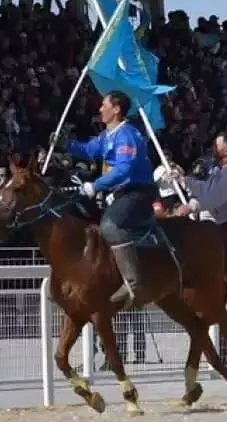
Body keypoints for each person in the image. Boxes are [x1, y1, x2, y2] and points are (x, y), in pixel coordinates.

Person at [52, 91, 157, 309]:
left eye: (104, 105)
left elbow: (123, 170)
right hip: (119, 193)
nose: (100, 109)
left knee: (110, 225)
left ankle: (135, 284)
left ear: (116, 109)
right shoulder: (108, 135)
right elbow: (89, 150)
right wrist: (66, 143)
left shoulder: (127, 134)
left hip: (137, 192)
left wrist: (96, 185)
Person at [177, 131, 227, 316]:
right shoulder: (221, 171)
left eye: (217, 145)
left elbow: (216, 197)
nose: (213, 148)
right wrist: (182, 180)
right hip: (212, 223)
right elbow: (206, 189)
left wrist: (191, 206)